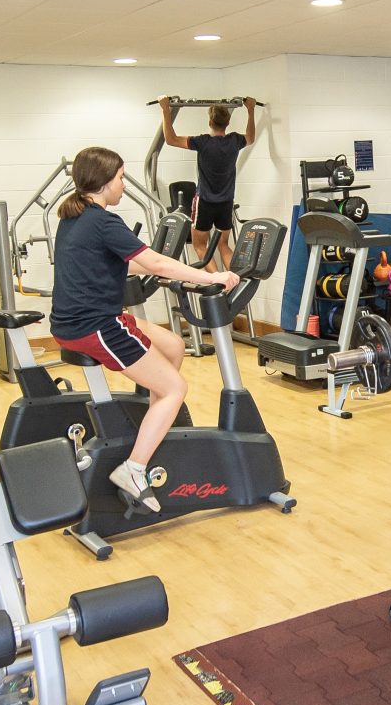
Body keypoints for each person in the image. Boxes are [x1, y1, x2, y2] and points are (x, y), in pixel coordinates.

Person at [49, 145, 237, 515]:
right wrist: (210, 276)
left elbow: (121, 263)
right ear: (104, 182)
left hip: (75, 322)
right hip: (95, 326)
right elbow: (154, 263)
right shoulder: (103, 221)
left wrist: (162, 267)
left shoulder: (74, 217)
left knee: (173, 345)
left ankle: (151, 428)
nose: (123, 185)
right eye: (120, 178)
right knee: (175, 388)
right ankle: (133, 470)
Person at [159, 96, 257, 271]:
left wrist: (165, 109)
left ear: (210, 122)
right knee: (224, 245)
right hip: (226, 202)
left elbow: (170, 139)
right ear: (227, 123)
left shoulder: (202, 142)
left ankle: (218, 280)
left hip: (204, 202)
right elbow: (250, 137)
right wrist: (251, 110)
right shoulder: (235, 141)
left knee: (200, 246)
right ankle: (234, 281)